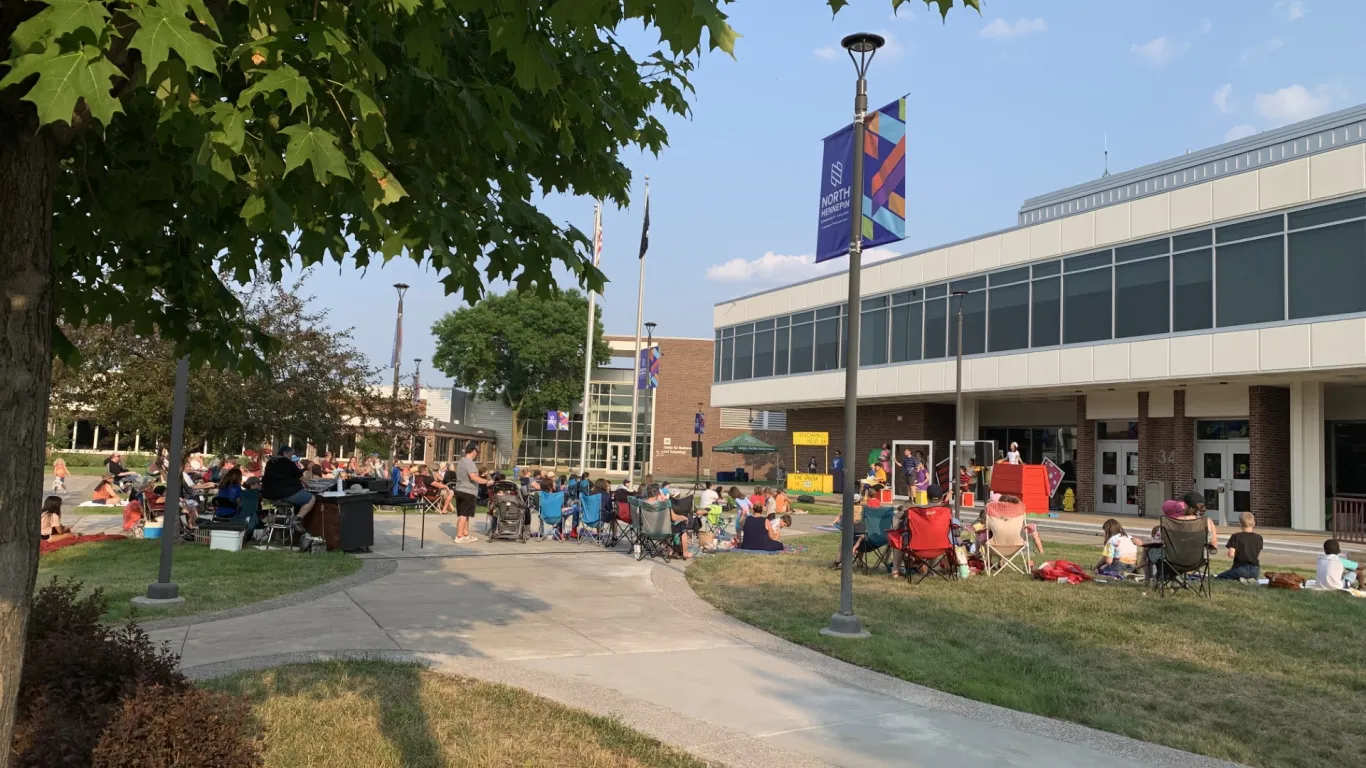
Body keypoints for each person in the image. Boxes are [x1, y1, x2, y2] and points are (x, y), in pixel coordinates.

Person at [261, 445, 317, 530]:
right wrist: (310, 486)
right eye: (290, 455)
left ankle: (281, 523)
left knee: (286, 504)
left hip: (270, 494)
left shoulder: (270, 462)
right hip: (285, 493)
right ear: (285, 453)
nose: (291, 458)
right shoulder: (287, 463)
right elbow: (301, 477)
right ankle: (297, 519)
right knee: (311, 498)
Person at [453, 442, 491, 543]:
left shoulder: (461, 461)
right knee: (463, 515)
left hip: (459, 490)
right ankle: (459, 536)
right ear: (473, 451)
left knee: (465, 514)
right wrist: (487, 482)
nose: (477, 454)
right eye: (477, 452)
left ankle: (466, 534)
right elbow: (473, 477)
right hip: (468, 491)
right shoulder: (469, 462)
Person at [1216, 512, 1263, 581]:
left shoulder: (1236, 536)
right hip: (1255, 570)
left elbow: (1231, 554)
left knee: (1220, 577)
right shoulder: (1259, 538)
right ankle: (1250, 579)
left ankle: (1240, 579)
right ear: (1254, 523)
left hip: (1240, 569)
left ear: (1240, 524)